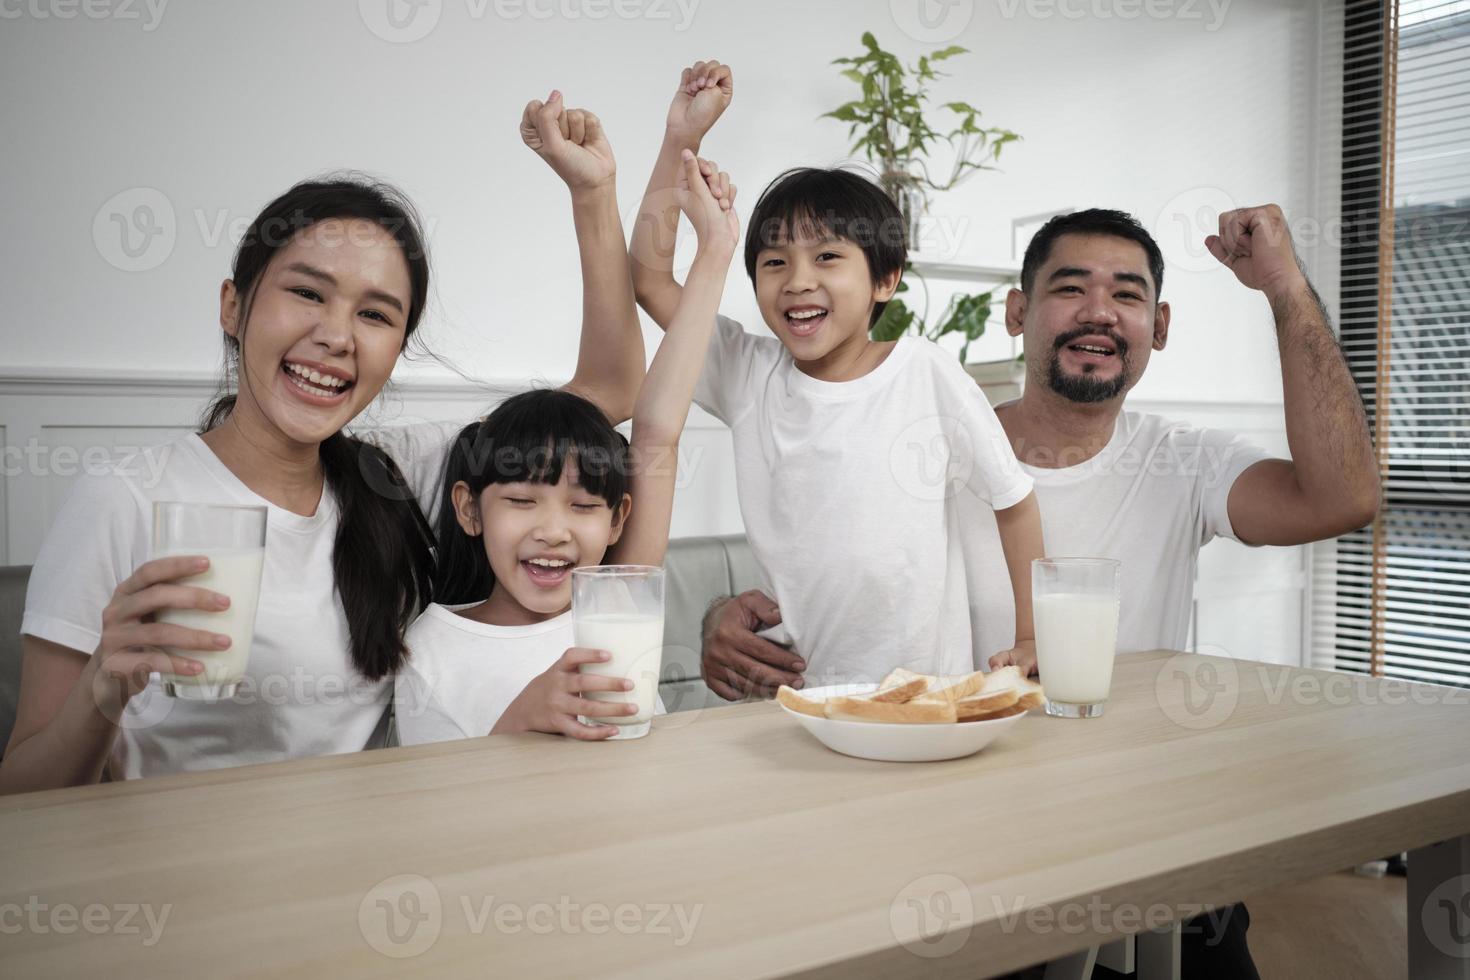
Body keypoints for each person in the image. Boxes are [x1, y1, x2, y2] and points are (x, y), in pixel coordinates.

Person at [705, 205, 1379, 979]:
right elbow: (824, 588)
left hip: (1143, 848)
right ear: (1018, 313)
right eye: (1070, 288)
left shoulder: (1183, 463)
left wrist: (1286, 288)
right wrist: (724, 622)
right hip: (960, 855)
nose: (1098, 311)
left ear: (1158, 327)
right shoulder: (918, 443)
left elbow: (1342, 498)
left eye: (1127, 295)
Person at [1, 92, 646, 792]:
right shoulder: (123, 498)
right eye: (307, 293)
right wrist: (103, 689)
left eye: (374, 314)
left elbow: (607, 392)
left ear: (397, 349)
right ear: (233, 304)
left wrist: (593, 192)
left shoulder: (395, 473)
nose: (337, 336)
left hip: (366, 874)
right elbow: (23, 796)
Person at [629, 59, 1046, 695]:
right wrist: (679, 142)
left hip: (923, 698)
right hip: (797, 700)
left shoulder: (927, 374)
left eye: (827, 257)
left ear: (886, 278)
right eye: (775, 262)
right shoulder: (749, 374)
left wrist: (1032, 636)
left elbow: (1014, 501)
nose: (798, 280)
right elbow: (651, 279)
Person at [395, 142, 741, 743]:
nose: (554, 530)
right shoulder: (432, 650)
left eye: (583, 507)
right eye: (524, 501)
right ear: (469, 508)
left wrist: (715, 251)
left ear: (616, 521)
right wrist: (522, 722)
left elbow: (659, 424)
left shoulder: (615, 603)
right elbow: (440, 814)